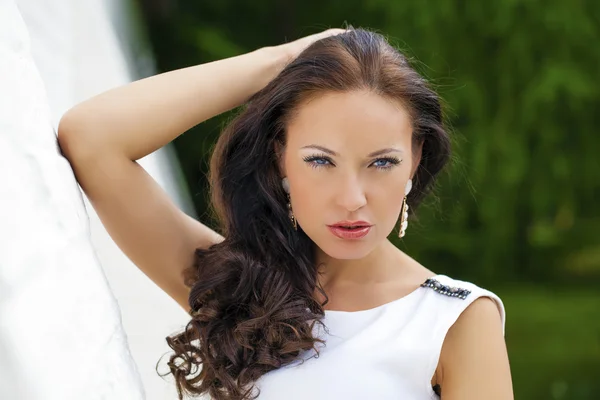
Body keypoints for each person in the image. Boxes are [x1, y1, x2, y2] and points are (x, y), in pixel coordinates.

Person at [57, 27, 513, 400]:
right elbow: (92, 137)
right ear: (280, 160)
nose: (352, 198)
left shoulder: (454, 320)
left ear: (415, 158)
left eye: (381, 162)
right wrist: (280, 61)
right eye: (320, 161)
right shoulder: (238, 289)